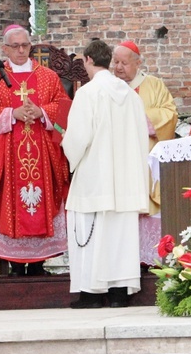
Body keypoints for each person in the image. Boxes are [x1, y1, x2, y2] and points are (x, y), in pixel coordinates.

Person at [0, 25, 70, 277]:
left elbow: (63, 108)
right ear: (5, 49)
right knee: (11, 201)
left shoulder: (48, 76)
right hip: (8, 158)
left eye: (25, 45)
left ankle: (38, 265)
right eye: (14, 46)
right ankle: (16, 265)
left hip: (43, 154)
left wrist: (42, 112)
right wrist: (11, 113)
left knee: (44, 200)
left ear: (31, 46)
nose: (20, 50)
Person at [62, 40, 149, 308]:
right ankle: (118, 294)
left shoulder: (88, 94)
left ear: (88, 60)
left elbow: (78, 139)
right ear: (108, 61)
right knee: (119, 238)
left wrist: (67, 147)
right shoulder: (131, 95)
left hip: (95, 177)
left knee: (92, 234)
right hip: (125, 180)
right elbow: (141, 138)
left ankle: (90, 295)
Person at [113, 41, 177, 265]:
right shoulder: (109, 87)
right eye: (116, 62)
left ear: (137, 63)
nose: (119, 67)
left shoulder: (154, 85)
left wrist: (139, 117)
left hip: (145, 159)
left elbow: (170, 113)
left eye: (124, 62)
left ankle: (151, 264)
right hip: (118, 161)